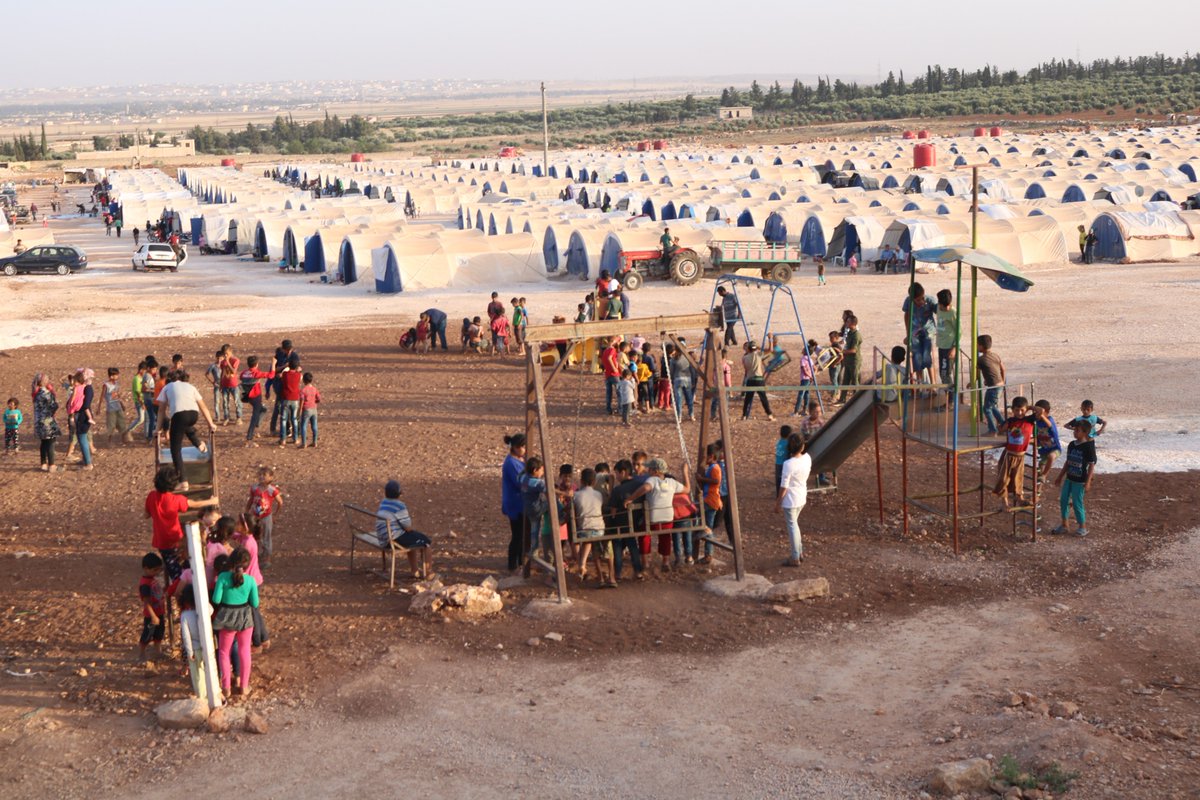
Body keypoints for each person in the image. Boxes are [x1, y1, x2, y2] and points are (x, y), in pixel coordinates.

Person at [145, 466, 220, 582]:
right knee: (188, 564)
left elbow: (146, 515)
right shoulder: (176, 499)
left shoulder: (151, 496)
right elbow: (194, 504)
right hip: (177, 540)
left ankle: (179, 587)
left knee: (174, 572)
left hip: (162, 542)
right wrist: (212, 501)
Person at [624, 457, 691, 572]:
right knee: (665, 537)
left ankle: (645, 561)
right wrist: (685, 473)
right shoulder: (672, 482)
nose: (648, 470)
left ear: (655, 471)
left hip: (653, 517)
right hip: (668, 518)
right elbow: (687, 489)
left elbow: (645, 488)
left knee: (644, 535)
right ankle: (665, 562)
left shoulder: (652, 480)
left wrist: (630, 498)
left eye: (650, 468)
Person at [212, 547, 259, 699]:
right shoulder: (251, 580)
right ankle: (244, 686)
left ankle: (226, 687)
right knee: (245, 651)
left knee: (224, 652)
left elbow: (216, 600)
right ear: (247, 564)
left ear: (230, 562)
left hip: (226, 617)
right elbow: (255, 602)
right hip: (245, 618)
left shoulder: (223, 577)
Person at [157, 371, 216, 488]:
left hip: (179, 416)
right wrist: (211, 423)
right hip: (194, 414)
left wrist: (157, 429)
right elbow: (203, 406)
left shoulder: (167, 387)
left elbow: (161, 411)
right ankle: (199, 444)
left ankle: (183, 480)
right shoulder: (190, 386)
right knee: (184, 424)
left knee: (175, 449)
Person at [375, 480, 434, 578]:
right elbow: (407, 527)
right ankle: (429, 573)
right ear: (399, 494)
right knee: (426, 542)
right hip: (392, 540)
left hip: (383, 537)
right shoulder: (400, 506)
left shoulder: (383, 502)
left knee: (412, 539)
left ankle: (414, 571)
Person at [1053, 420, 1097, 537]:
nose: (1075, 432)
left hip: (1080, 481)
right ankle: (1064, 525)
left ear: (1085, 433)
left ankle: (1082, 527)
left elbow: (1091, 465)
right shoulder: (1072, 445)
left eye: (1077, 430)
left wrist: (1088, 482)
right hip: (1069, 478)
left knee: (1077, 503)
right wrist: (1060, 476)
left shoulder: (1088, 447)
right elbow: (1068, 462)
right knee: (1063, 501)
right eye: (1075, 430)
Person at [573, 468, 614, 587]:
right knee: (591, 539)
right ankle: (583, 565)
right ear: (594, 482)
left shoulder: (576, 495)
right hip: (599, 530)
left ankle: (582, 564)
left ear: (581, 481)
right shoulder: (598, 494)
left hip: (584, 530)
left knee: (588, 540)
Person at [606, 459, 645, 580]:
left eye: (617, 473)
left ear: (623, 472)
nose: (617, 477)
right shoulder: (639, 486)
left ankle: (617, 573)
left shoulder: (618, 490)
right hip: (636, 522)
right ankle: (638, 572)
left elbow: (612, 510)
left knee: (617, 546)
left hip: (620, 524)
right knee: (633, 545)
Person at [776, 433, 812, 566]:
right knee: (795, 525)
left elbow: (784, 486)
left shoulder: (788, 464)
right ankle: (799, 552)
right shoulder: (807, 458)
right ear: (802, 447)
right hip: (802, 496)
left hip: (790, 500)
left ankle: (795, 556)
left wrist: (778, 502)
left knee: (793, 527)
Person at [993, 396, 1034, 508]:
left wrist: (1030, 407)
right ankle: (1005, 503)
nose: (1020, 412)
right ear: (1013, 410)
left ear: (1026, 410)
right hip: (1009, 454)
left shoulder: (1029, 420)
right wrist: (1001, 427)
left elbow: (1041, 411)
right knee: (1003, 478)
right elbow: (1001, 429)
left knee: (1018, 478)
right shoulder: (1011, 421)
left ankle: (1019, 497)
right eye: (1017, 410)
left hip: (1020, 456)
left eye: (1022, 410)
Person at [245, 467, 283, 568]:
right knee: (254, 535)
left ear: (270, 477)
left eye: (264, 475)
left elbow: (280, 502)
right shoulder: (254, 488)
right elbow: (251, 500)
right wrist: (246, 512)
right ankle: (255, 555)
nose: (261, 477)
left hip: (266, 516)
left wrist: (275, 515)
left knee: (266, 536)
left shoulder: (272, 490)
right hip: (255, 515)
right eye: (260, 474)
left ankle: (267, 557)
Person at [501, 433, 527, 572]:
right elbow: (521, 482)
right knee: (518, 535)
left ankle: (520, 561)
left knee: (521, 534)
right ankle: (513, 564)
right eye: (523, 447)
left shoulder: (518, 460)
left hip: (518, 502)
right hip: (515, 504)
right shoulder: (511, 463)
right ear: (516, 448)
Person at [902, 283, 936, 385]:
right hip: (915, 332)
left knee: (926, 356)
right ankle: (920, 383)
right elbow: (906, 316)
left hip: (928, 331)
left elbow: (940, 311)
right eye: (917, 300)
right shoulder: (908, 302)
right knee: (917, 357)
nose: (920, 302)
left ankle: (933, 383)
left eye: (922, 298)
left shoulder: (930, 300)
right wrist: (908, 334)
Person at [695, 444, 723, 565]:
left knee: (694, 512)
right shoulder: (712, 467)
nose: (704, 459)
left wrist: (701, 479)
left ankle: (703, 531)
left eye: (705, 457)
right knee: (708, 527)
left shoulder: (715, 468)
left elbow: (716, 481)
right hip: (710, 500)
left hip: (711, 500)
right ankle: (708, 554)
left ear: (711, 457)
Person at [239, 356, 274, 445]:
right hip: (256, 397)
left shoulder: (243, 373)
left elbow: (241, 378)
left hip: (248, 397)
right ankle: (249, 437)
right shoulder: (256, 373)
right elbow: (271, 375)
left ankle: (256, 425)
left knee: (263, 410)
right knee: (255, 416)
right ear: (256, 364)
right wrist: (273, 364)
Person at [138, 552, 166, 659]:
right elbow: (146, 602)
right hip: (151, 615)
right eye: (154, 570)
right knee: (148, 634)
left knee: (159, 633)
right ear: (146, 568)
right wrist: (153, 616)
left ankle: (158, 652)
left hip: (159, 612)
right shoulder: (145, 584)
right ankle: (141, 652)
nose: (157, 572)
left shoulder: (152, 579)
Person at [977, 334, 1005, 434]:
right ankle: (1004, 425)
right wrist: (1003, 381)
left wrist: (971, 383)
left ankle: (992, 430)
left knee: (987, 408)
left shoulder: (980, 359)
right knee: (992, 407)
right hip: (1000, 384)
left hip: (994, 386)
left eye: (977, 345)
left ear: (981, 346)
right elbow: (1002, 369)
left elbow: (976, 374)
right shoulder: (995, 355)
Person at [32, 374, 60, 472]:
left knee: (43, 442)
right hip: (47, 421)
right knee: (51, 442)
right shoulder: (46, 393)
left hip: (39, 422)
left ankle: (43, 464)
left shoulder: (36, 394)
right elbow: (54, 406)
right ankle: (52, 465)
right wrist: (54, 395)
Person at [741, 341, 774, 420]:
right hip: (759, 379)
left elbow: (746, 369)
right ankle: (769, 414)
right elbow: (770, 350)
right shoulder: (759, 354)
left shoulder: (745, 358)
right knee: (763, 398)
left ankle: (744, 415)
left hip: (750, 379)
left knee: (748, 399)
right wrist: (770, 339)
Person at [1033, 399, 1062, 480]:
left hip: (1055, 448)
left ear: (1046, 412)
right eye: (1036, 412)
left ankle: (1044, 475)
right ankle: (1039, 489)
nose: (1037, 414)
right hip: (1043, 450)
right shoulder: (1036, 422)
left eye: (1039, 412)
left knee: (1051, 456)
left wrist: (1041, 415)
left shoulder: (1050, 419)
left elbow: (1049, 424)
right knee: (1040, 471)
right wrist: (1030, 408)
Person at [277, 355, 302, 446]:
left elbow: (280, 375)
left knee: (283, 419)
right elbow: (301, 376)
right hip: (295, 399)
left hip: (285, 398)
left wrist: (285, 367)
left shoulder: (285, 374)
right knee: (294, 419)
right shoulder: (298, 375)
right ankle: (295, 439)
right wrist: (299, 370)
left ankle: (283, 439)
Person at [934, 289, 958, 389]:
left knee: (945, 373)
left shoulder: (952, 312)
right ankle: (949, 396)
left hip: (949, 347)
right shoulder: (938, 308)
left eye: (948, 305)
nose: (947, 308)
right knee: (943, 373)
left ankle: (951, 399)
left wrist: (954, 348)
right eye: (944, 306)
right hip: (941, 346)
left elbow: (959, 331)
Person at [73, 371, 96, 471]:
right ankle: (86, 459)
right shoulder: (88, 388)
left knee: (82, 438)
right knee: (82, 438)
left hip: (83, 416)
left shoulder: (87, 389)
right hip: (84, 416)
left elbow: (86, 405)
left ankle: (88, 464)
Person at [100, 367, 130, 446]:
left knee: (122, 424)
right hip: (111, 409)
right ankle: (109, 442)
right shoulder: (106, 385)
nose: (117, 376)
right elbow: (102, 396)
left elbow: (118, 395)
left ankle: (124, 441)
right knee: (111, 426)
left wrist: (122, 403)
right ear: (111, 376)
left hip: (118, 407)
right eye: (116, 375)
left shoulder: (116, 384)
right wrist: (99, 407)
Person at [837, 315, 862, 404]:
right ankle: (842, 399)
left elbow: (854, 350)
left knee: (855, 381)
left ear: (852, 323)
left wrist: (842, 352)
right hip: (848, 360)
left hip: (854, 361)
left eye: (848, 322)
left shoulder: (856, 335)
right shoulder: (850, 333)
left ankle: (858, 400)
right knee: (845, 380)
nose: (846, 323)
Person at [669, 344, 695, 421]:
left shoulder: (673, 359)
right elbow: (692, 370)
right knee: (689, 398)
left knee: (678, 399)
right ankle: (691, 415)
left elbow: (671, 371)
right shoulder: (688, 358)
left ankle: (679, 416)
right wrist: (693, 380)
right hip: (687, 379)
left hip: (677, 379)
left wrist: (672, 379)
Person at [218, 345, 242, 426]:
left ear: (230, 352)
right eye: (224, 354)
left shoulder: (235, 360)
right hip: (225, 384)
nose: (225, 355)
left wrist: (228, 362)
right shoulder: (222, 362)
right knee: (225, 402)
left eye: (227, 353)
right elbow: (222, 373)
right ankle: (226, 417)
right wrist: (220, 384)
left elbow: (234, 371)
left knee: (237, 401)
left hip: (233, 384)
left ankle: (239, 417)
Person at [298, 372, 321, 448]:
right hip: (314, 409)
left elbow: (302, 400)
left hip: (306, 409)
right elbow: (319, 398)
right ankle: (315, 442)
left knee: (303, 426)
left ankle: (304, 443)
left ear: (304, 381)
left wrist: (300, 410)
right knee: (314, 425)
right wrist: (315, 402)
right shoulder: (315, 389)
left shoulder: (303, 390)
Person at [600, 338, 621, 415]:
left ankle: (608, 409)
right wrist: (614, 368)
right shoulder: (612, 350)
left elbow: (604, 360)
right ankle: (620, 409)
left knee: (609, 393)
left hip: (607, 374)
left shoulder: (605, 350)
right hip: (613, 374)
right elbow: (609, 358)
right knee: (619, 392)